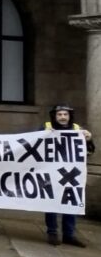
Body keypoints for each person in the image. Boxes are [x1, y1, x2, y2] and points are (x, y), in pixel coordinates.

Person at [44, 104, 94, 246]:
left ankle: (69, 235)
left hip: (71, 175)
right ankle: (52, 232)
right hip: (51, 172)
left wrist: (89, 139)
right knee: (51, 203)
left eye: (65, 114)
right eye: (59, 115)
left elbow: (89, 152)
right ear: (54, 116)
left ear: (70, 116)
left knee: (70, 203)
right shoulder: (46, 128)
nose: (63, 117)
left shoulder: (78, 130)